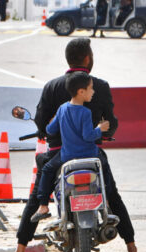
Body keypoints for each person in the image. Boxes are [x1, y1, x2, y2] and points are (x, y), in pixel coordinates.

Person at [3, 38, 141, 252]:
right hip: (92, 153)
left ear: (69, 59)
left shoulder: (52, 87)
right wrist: (105, 131)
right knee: (113, 196)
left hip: (60, 154)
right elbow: (111, 122)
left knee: (37, 197)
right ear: (87, 59)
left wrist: (47, 131)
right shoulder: (99, 86)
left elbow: (42, 123)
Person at [31, 72, 111, 221]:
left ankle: (43, 206)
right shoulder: (86, 112)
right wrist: (100, 128)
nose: (93, 92)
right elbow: (88, 136)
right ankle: (106, 202)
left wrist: (54, 120)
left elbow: (50, 130)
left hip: (67, 156)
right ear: (81, 92)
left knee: (47, 170)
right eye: (91, 88)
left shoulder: (62, 109)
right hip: (89, 154)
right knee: (104, 168)